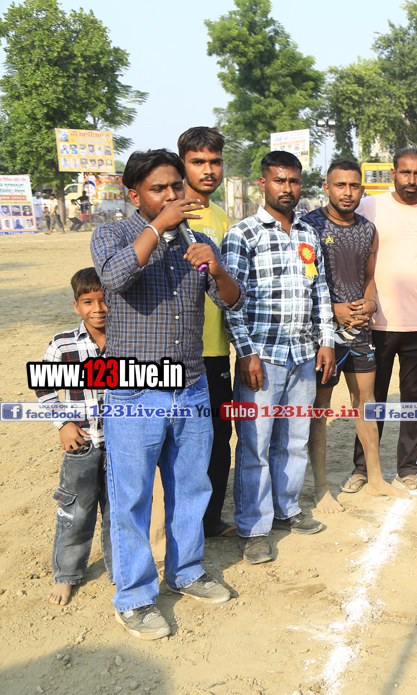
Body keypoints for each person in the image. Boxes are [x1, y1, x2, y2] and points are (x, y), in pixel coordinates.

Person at [91, 149, 243, 639]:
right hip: (134, 390)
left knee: (191, 489)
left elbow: (231, 299)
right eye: (160, 188)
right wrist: (158, 228)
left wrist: (216, 268)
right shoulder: (113, 234)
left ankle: (186, 571)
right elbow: (115, 277)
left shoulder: (197, 240)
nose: (173, 195)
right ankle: (135, 597)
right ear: (134, 195)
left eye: (177, 186)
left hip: (192, 386)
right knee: (132, 496)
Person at [221, 151, 335, 566]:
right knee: (255, 444)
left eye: (293, 181)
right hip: (262, 359)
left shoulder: (308, 234)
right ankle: (254, 528)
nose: (287, 188)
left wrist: (326, 341)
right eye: (279, 180)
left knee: (294, 439)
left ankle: (286, 508)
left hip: (303, 355)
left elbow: (319, 289)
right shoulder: (243, 235)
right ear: (263, 183)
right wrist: (246, 352)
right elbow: (230, 301)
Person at [301, 158, 409, 507]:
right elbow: (304, 282)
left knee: (367, 402)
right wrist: (333, 309)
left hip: (360, 331)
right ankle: (321, 488)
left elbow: (369, 277)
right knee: (321, 407)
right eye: (340, 185)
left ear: (362, 189)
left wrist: (371, 303)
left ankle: (375, 479)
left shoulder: (367, 229)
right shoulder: (308, 226)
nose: (347, 192)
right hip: (323, 334)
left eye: (353, 186)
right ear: (327, 188)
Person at [351, 147, 417, 493]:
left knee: (414, 401)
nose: (412, 180)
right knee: (371, 400)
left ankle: (407, 468)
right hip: (375, 323)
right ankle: (362, 468)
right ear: (392, 173)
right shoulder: (369, 207)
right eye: (405, 173)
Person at [34, 268, 110, 606]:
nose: (98, 308)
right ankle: (66, 575)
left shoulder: (127, 338)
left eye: (104, 300)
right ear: (76, 306)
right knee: (75, 512)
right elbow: (44, 387)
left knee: (119, 512)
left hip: (123, 445)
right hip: (82, 445)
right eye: (88, 302)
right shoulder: (63, 343)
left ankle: (119, 570)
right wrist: (63, 423)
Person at [177, 126, 237, 539]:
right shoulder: (169, 213)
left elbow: (229, 287)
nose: (208, 169)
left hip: (216, 351)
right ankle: (176, 527)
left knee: (219, 440)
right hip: (174, 353)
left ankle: (210, 521)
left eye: (214, 161)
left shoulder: (221, 218)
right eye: (198, 161)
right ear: (183, 163)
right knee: (179, 443)